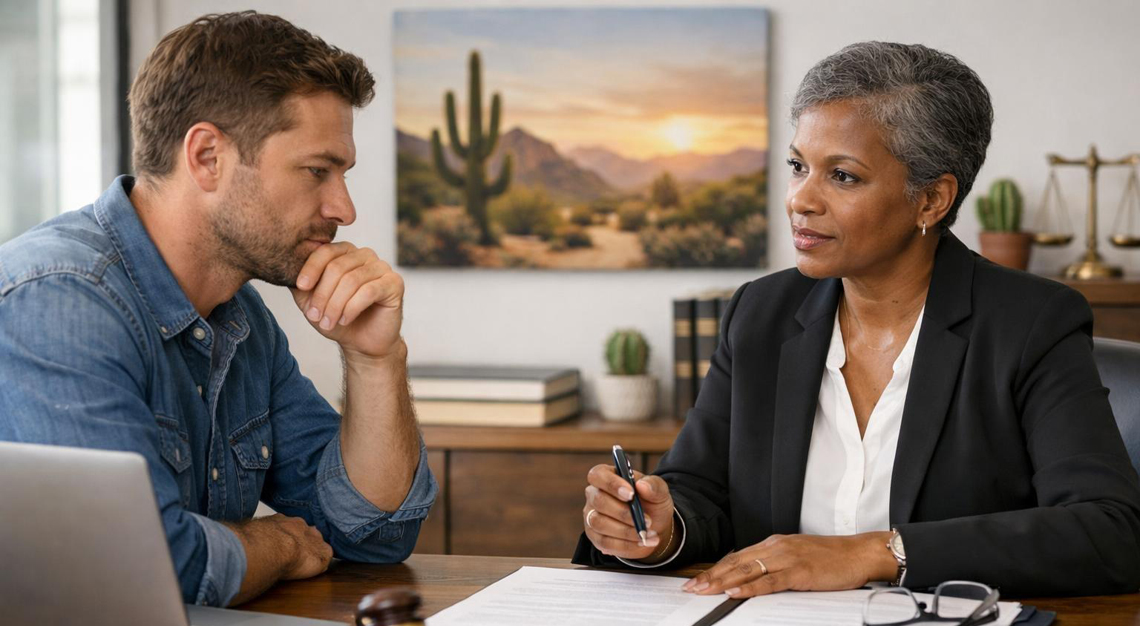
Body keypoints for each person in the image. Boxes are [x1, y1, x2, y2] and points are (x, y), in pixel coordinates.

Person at [574, 41, 1140, 597]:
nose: (801, 198)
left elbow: (1108, 531)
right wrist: (659, 529)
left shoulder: (1031, 323)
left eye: (842, 176)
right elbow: (699, 490)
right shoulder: (761, 314)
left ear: (931, 200)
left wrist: (875, 552)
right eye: (799, 166)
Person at [0, 12, 436, 607]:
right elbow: (136, 569)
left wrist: (375, 358)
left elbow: (374, 533)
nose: (344, 208)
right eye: (317, 171)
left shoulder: (241, 317)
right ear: (207, 157)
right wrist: (277, 544)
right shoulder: (59, 299)